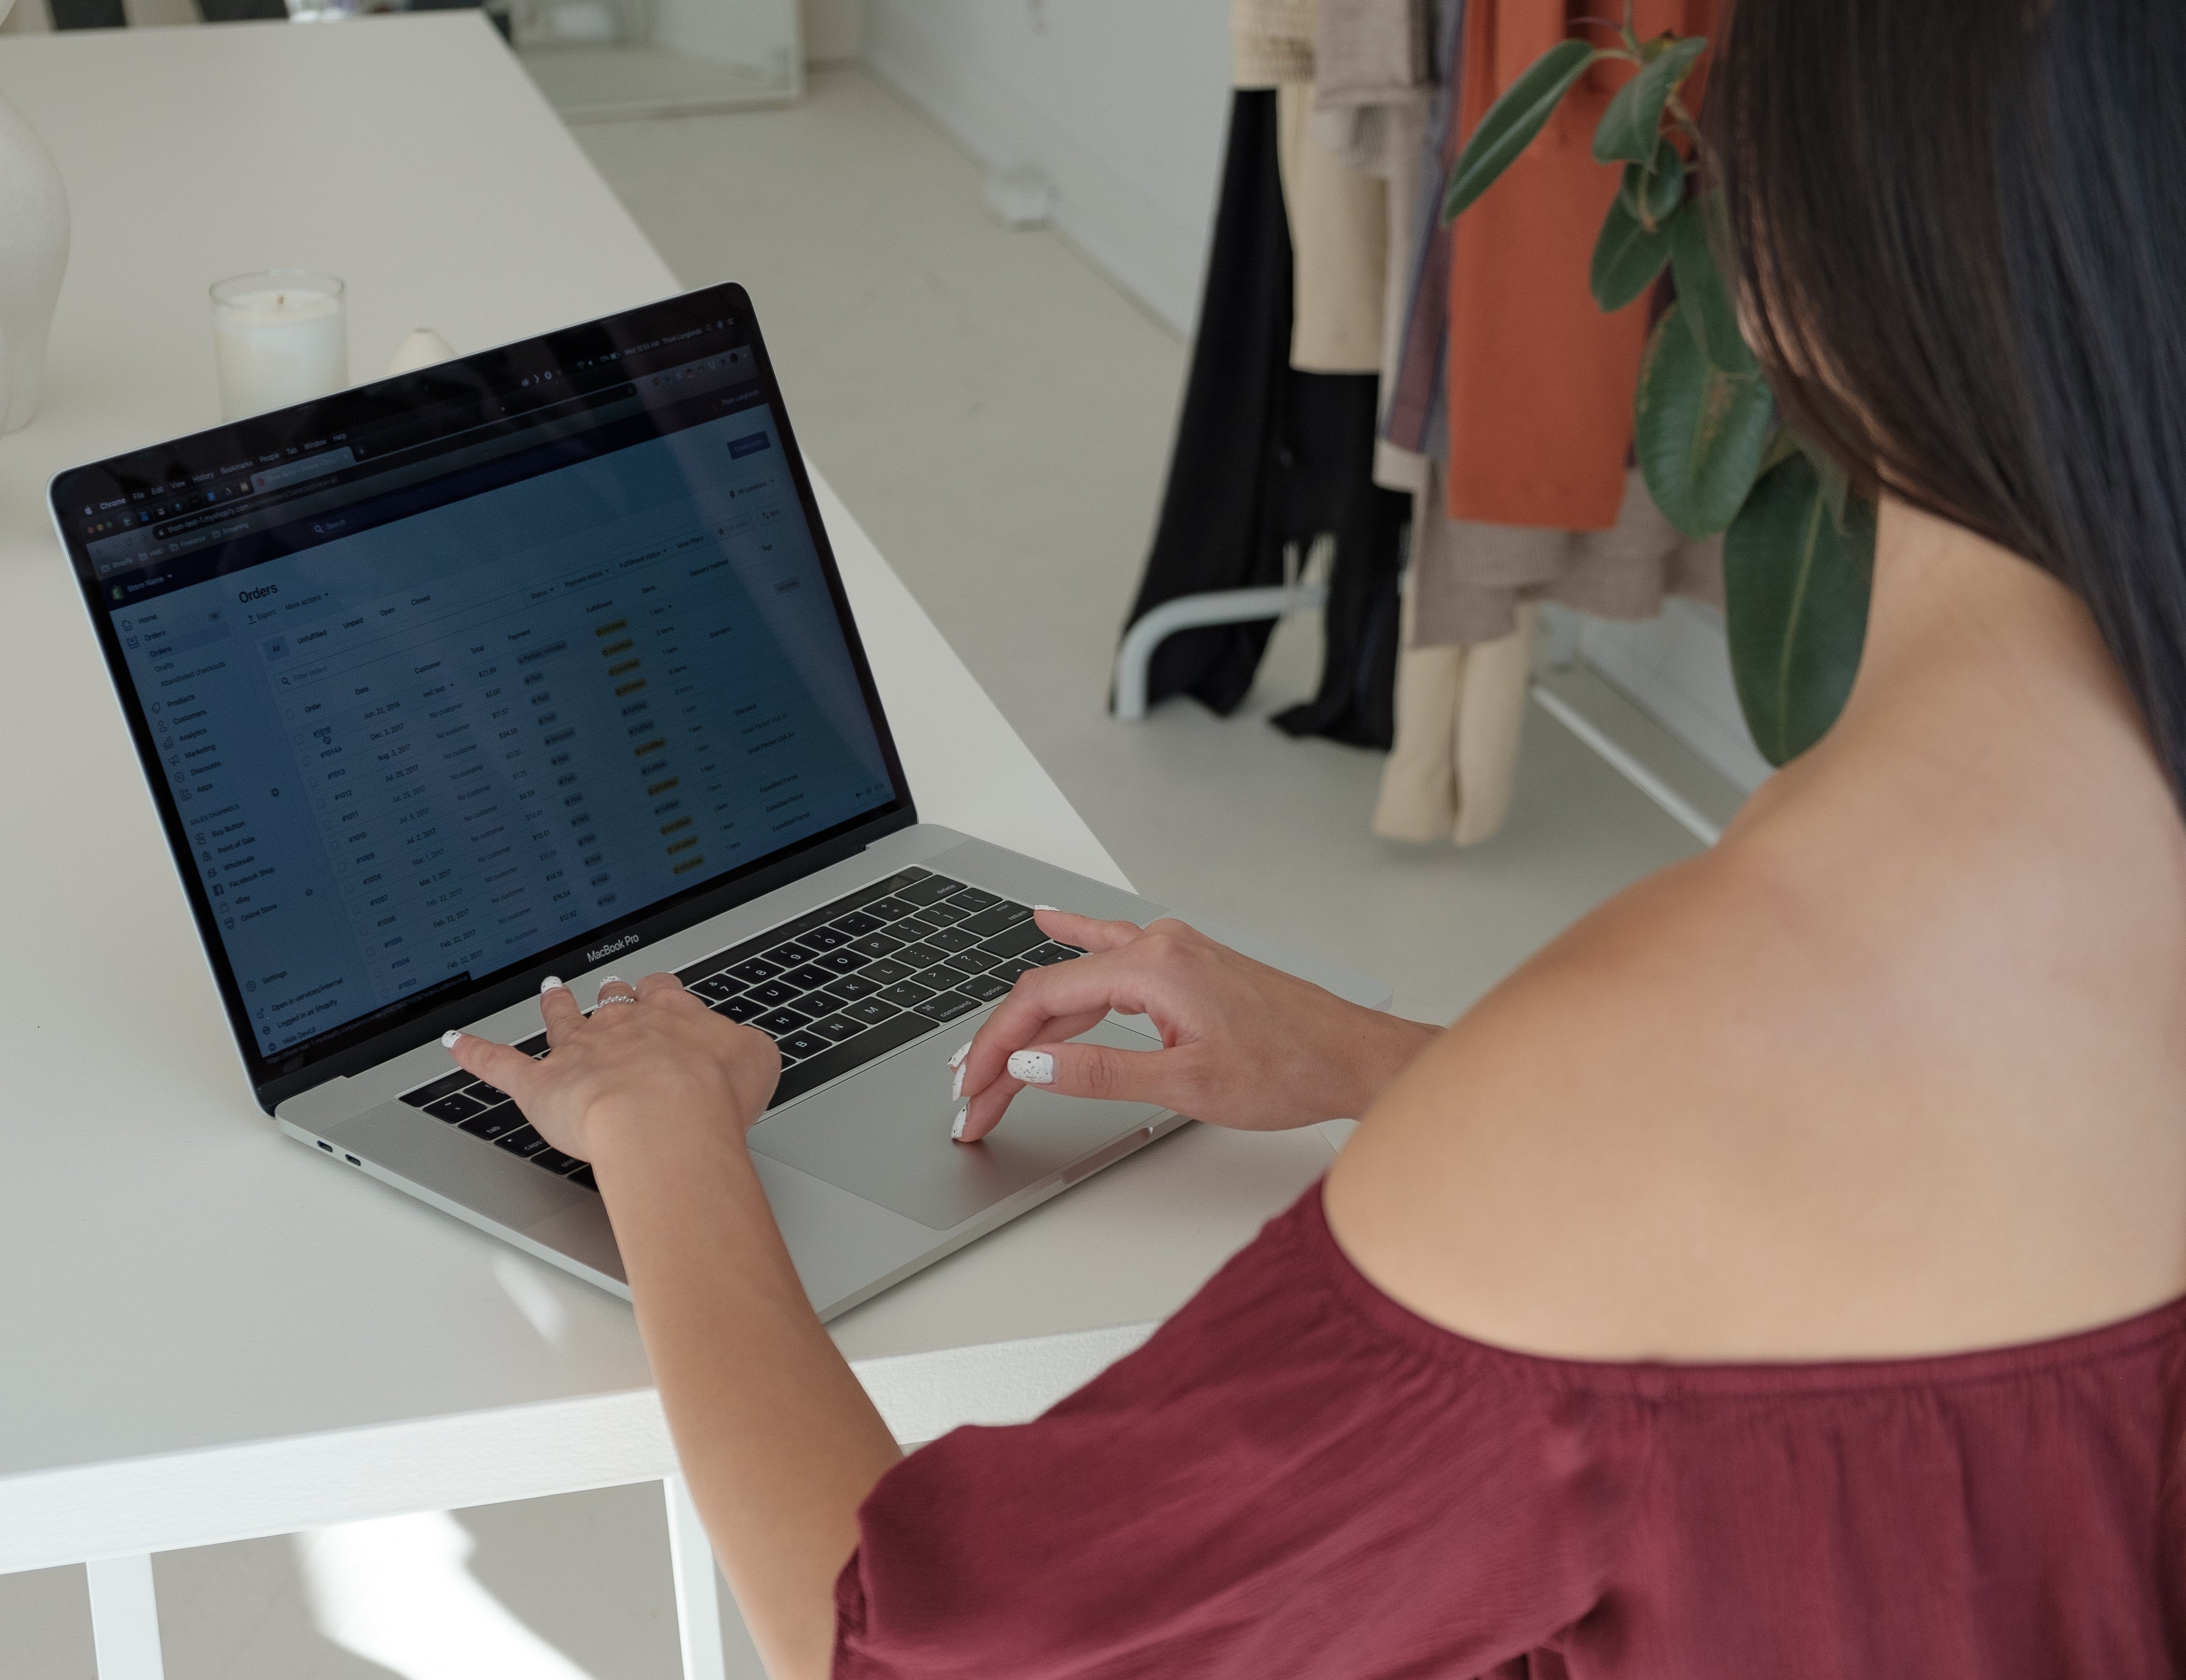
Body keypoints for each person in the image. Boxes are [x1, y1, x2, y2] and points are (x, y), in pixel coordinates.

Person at [444, 1, 2186, 1673]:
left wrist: (662, 1132)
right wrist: (1390, 1062)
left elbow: (906, 1652)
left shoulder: (1680, 1057)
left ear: (1805, 250)